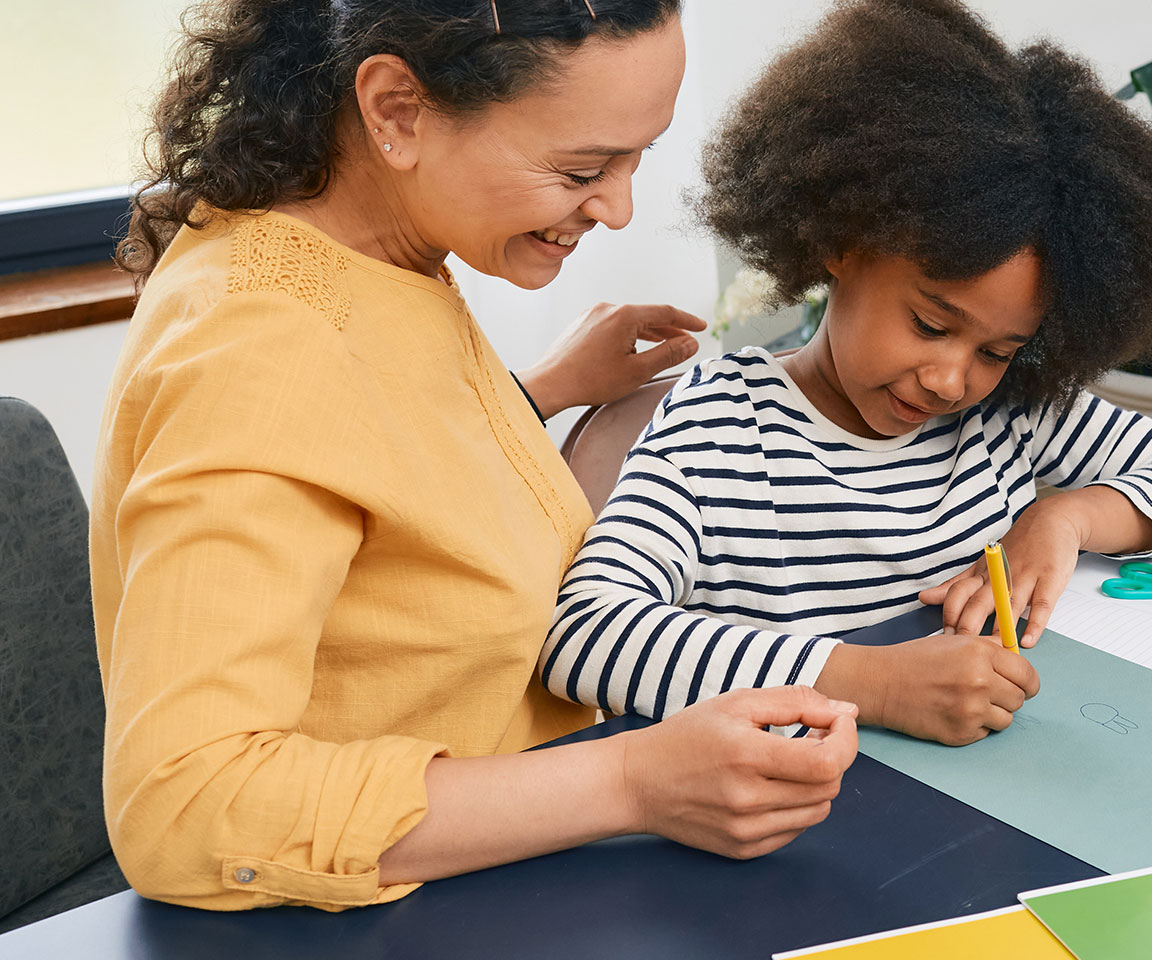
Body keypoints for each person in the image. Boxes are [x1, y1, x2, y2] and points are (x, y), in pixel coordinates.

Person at [94, 0, 855, 912]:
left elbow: (366, 474)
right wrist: (632, 781)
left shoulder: (367, 253)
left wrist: (531, 393)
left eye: (637, 156)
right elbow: (187, 808)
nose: (617, 207)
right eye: (582, 167)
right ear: (397, 113)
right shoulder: (260, 352)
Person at [537, 0, 1152, 747]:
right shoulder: (719, 426)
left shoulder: (1010, 414)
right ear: (843, 244)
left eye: (997, 350)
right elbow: (584, 634)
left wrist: (1062, 518)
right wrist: (871, 683)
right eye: (931, 325)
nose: (951, 380)